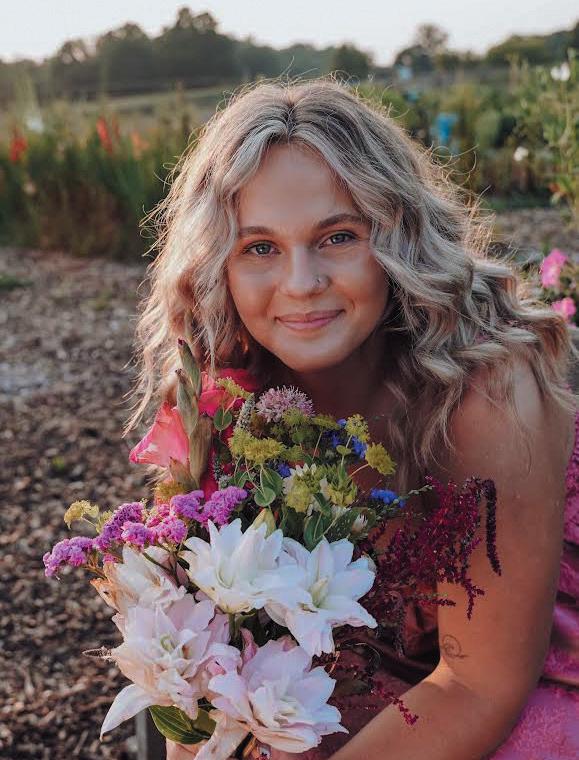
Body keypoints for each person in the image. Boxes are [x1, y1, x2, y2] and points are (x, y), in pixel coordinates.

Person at [125, 76, 578, 759]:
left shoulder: (482, 388)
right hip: (359, 684)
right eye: (259, 247)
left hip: (526, 676)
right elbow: (203, 656)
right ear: (218, 264)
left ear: (399, 237)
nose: (301, 283)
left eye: (337, 237)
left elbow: (479, 684)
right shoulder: (225, 399)